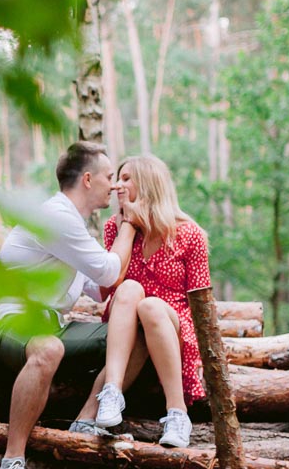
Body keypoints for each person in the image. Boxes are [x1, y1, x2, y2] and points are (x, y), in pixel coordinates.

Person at [0, 142, 147, 469]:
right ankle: (11, 464)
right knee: (48, 347)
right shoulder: (56, 216)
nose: (114, 184)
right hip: (7, 321)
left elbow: (101, 289)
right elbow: (108, 270)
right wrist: (130, 225)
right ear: (87, 179)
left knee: (138, 332)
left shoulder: (75, 228)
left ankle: (85, 421)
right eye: (108, 176)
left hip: (51, 324)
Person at [85, 155, 212, 449]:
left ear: (148, 183)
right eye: (118, 178)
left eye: (126, 178)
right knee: (129, 289)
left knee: (151, 306)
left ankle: (178, 413)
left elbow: (201, 303)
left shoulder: (189, 234)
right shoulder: (113, 229)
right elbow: (111, 286)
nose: (117, 185)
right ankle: (111, 394)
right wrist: (129, 224)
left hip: (172, 328)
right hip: (126, 328)